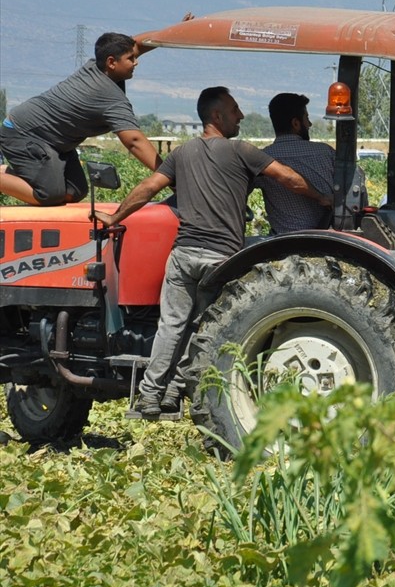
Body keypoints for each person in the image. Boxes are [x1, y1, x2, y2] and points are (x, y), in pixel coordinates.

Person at [93, 86, 331, 417]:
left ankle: (151, 394)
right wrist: (322, 198)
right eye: (235, 110)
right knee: (200, 327)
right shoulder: (243, 152)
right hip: (221, 259)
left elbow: (148, 188)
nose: (241, 116)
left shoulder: (181, 154)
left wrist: (114, 217)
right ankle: (175, 389)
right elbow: (288, 178)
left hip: (184, 255)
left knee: (171, 325)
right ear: (217, 116)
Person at [1, 32, 161, 205]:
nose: (136, 62)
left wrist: (174, 31)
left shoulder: (97, 66)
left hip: (55, 141)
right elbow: (134, 141)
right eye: (131, 58)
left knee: (75, 191)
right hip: (23, 134)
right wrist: (167, 173)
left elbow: (137, 44)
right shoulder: (108, 96)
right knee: (49, 194)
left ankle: (8, 173)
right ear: (111, 62)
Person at [256, 92, 336, 233]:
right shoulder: (326, 153)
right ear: (296, 123)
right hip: (326, 237)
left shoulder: (262, 160)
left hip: (282, 241)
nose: (310, 124)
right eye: (307, 118)